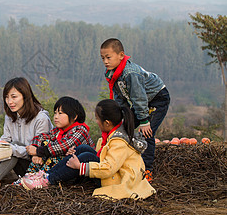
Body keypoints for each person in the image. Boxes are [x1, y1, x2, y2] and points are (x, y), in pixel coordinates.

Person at [21, 99, 156, 200]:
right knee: (83, 149)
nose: (96, 122)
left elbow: (109, 167)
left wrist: (81, 166)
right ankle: (45, 176)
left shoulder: (118, 142)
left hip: (120, 179)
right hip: (115, 173)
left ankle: (48, 179)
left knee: (86, 157)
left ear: (107, 123)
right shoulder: (112, 135)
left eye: (98, 119)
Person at [100, 38, 170, 181]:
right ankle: (124, 161)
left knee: (147, 133)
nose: (105, 61)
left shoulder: (130, 73)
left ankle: (146, 170)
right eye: (103, 58)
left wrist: (144, 121)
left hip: (157, 98)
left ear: (121, 55)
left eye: (108, 57)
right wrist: (120, 118)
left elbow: (139, 98)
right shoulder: (112, 73)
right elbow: (120, 98)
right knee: (125, 128)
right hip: (142, 102)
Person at [0, 77, 53, 191]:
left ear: (25, 96)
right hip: (16, 162)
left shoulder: (41, 119)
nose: (10, 102)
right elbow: (6, 139)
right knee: (5, 147)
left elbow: (40, 151)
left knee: (12, 148)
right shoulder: (10, 117)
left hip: (35, 166)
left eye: (14, 97)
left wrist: (11, 148)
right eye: (6, 97)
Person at [23, 96, 94, 174]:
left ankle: (42, 178)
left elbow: (64, 146)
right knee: (45, 143)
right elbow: (40, 137)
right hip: (63, 168)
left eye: (60, 113)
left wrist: (38, 151)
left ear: (74, 116)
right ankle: (30, 176)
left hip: (77, 171)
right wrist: (35, 149)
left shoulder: (80, 130)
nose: (56, 117)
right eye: (55, 113)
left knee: (56, 154)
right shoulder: (58, 130)